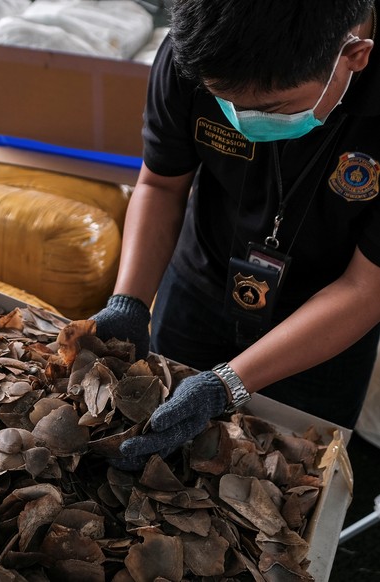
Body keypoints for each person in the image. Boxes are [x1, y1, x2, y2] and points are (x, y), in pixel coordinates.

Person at [91, 0, 380, 468]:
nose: (242, 118)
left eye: (272, 107)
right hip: (199, 284)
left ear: (354, 56)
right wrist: (129, 300)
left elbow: (366, 287)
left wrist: (229, 382)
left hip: (325, 323)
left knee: (289, 465)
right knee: (156, 447)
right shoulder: (198, 51)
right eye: (224, 101)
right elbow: (160, 184)